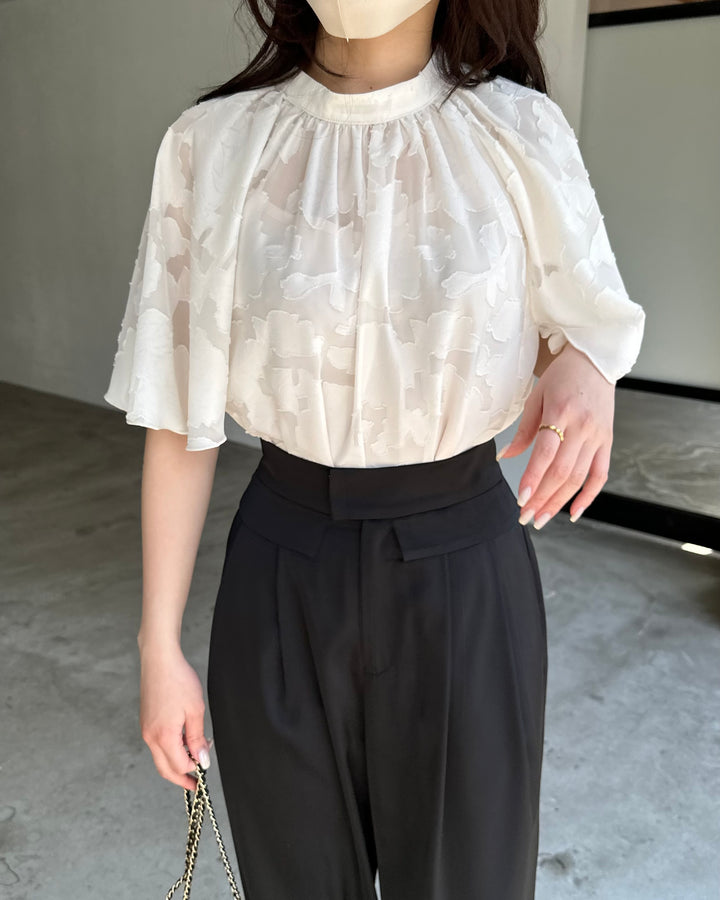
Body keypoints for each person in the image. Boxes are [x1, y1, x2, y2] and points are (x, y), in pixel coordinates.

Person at [103, 0, 646, 897]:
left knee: (470, 880)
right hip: (281, 568)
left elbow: (583, 320)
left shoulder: (516, 130)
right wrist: (157, 646)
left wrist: (589, 370)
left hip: (464, 565)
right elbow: (176, 413)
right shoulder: (215, 144)